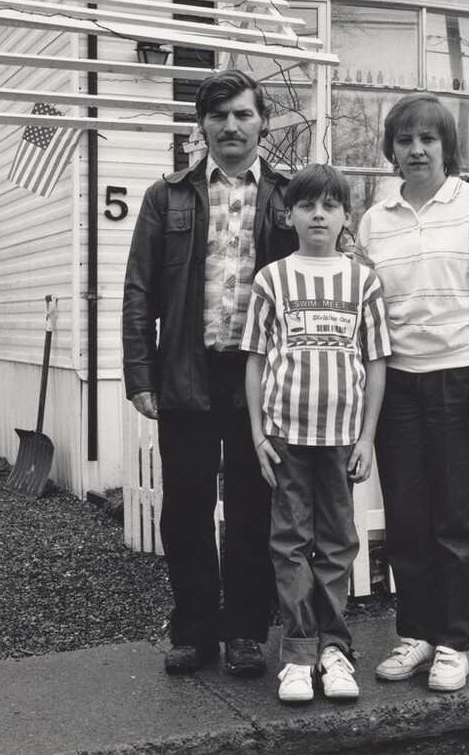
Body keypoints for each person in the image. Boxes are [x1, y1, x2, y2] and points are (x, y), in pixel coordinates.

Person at [122, 69, 298, 677]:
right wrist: (140, 373)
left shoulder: (287, 196)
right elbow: (140, 290)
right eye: (219, 116)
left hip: (262, 380)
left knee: (254, 507)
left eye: (243, 115)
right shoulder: (166, 196)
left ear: (262, 123)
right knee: (187, 509)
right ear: (202, 125)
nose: (231, 127)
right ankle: (194, 630)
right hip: (187, 375)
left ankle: (247, 632)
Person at [354, 93, 469, 693]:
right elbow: (370, 312)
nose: (416, 149)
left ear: (447, 146)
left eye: (428, 139)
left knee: (456, 521)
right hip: (397, 386)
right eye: (404, 140)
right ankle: (416, 636)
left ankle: (452, 644)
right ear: (391, 149)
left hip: (462, 381)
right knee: (407, 519)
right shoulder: (375, 218)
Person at [241, 164, 391, 703]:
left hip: (343, 437)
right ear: (289, 215)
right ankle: (299, 654)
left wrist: (368, 437)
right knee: (290, 543)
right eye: (307, 206)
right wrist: (258, 434)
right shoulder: (272, 279)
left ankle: (335, 649)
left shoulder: (362, 280)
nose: (318, 215)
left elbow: (375, 361)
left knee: (336, 544)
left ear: (346, 216)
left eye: (330, 206)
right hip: (285, 436)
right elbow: (256, 360)